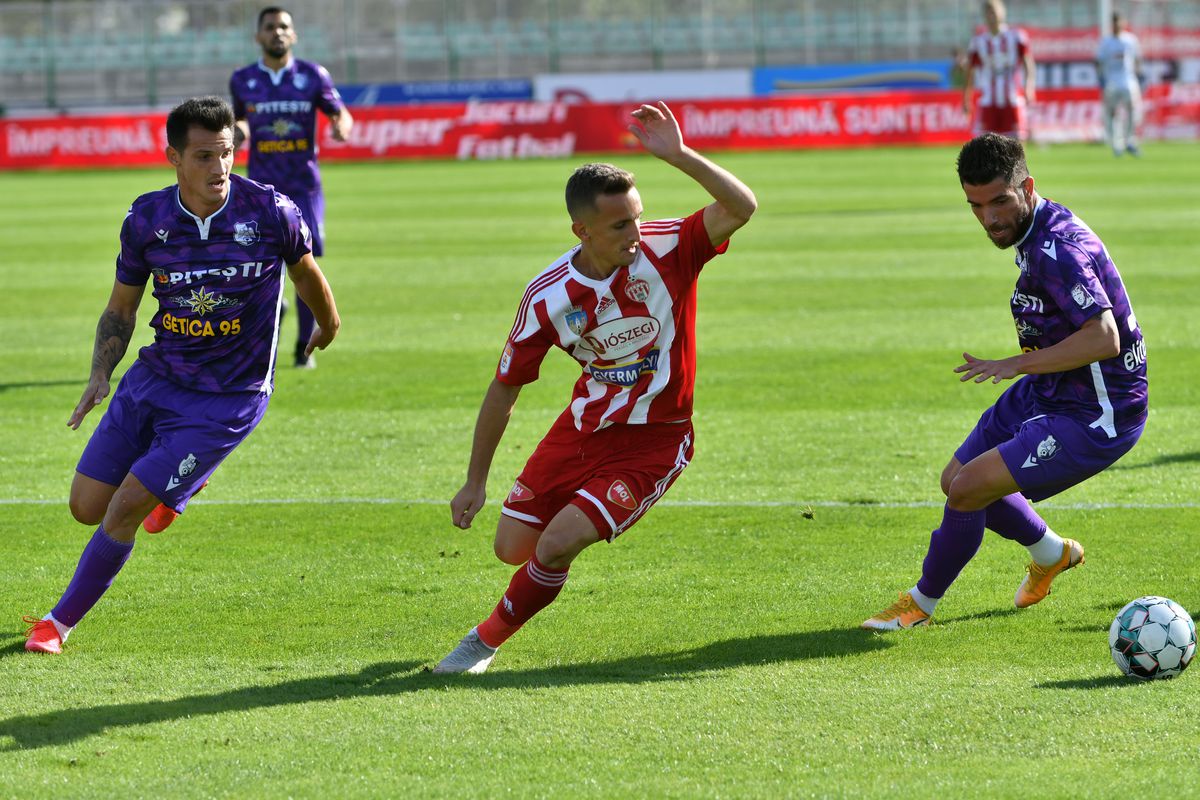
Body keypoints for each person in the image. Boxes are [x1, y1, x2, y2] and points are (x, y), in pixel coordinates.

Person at [434, 101, 757, 673]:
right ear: (582, 230)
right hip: (584, 429)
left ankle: (480, 644)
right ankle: (540, 572)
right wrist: (474, 481)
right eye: (620, 224)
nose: (636, 232)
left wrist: (679, 156)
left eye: (636, 217)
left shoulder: (670, 248)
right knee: (512, 548)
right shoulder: (548, 298)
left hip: (656, 440)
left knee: (558, 542)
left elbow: (742, 206)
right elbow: (504, 389)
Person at [22, 96, 340, 654]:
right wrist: (101, 373)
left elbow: (306, 273)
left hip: (228, 399)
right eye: (202, 156)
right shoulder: (146, 219)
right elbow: (121, 308)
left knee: (124, 508)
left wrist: (329, 324)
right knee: (86, 507)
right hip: (155, 379)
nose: (219, 168)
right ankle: (185, 480)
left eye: (226, 153)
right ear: (172, 157)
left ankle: (58, 624)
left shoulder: (270, 211)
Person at [862, 133, 1147, 630]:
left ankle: (920, 605)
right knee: (955, 480)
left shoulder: (1056, 250)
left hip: (1098, 412)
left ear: (1027, 187)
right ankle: (1051, 551)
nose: (989, 218)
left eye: (999, 201)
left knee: (970, 488)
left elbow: (1105, 338)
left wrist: (1015, 363)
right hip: (1052, 387)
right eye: (975, 205)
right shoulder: (1033, 230)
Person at [230, 6, 352, 368]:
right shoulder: (243, 80)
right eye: (270, 27)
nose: (277, 33)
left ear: (293, 35)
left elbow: (338, 110)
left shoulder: (313, 76)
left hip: (303, 188)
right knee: (255, 264)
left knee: (306, 262)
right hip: (261, 189)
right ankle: (269, 317)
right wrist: (237, 134)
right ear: (258, 37)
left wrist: (341, 124)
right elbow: (241, 119)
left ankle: (303, 349)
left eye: (283, 27)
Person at [963, 0, 1036, 140]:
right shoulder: (978, 42)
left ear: (1002, 13)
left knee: (1017, 147)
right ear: (984, 16)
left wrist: (1029, 86)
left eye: (994, 12)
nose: (992, 16)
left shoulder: (1017, 37)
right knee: (984, 146)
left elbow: (1029, 63)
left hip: (1012, 99)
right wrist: (966, 98)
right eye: (988, 13)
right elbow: (969, 72)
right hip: (988, 101)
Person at [1096, 12, 1144, 157]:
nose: (1117, 26)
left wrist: (1140, 76)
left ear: (1124, 23)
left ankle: (1130, 141)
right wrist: (1101, 79)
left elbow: (1137, 59)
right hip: (1112, 82)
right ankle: (1117, 144)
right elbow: (1098, 61)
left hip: (1129, 81)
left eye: (1119, 22)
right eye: (1115, 23)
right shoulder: (1106, 42)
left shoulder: (1130, 40)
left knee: (1132, 111)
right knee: (1112, 113)